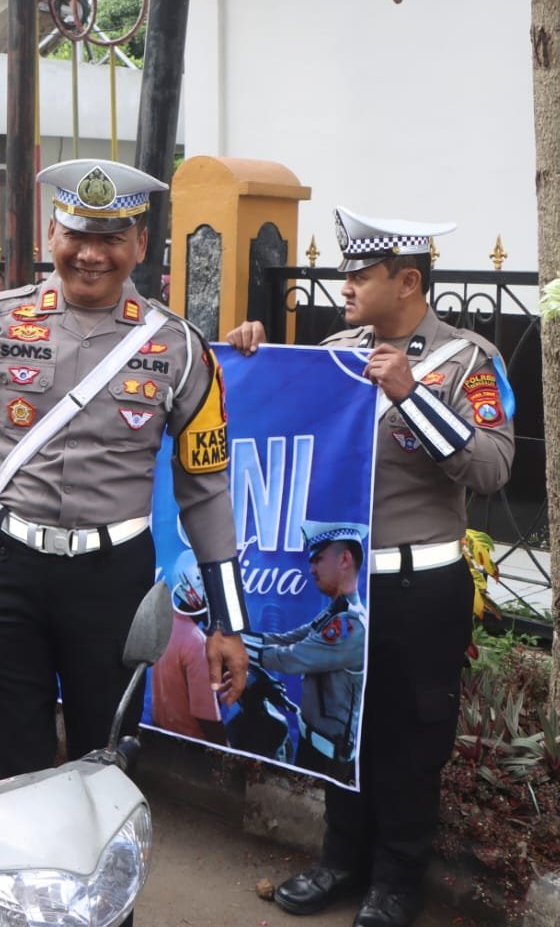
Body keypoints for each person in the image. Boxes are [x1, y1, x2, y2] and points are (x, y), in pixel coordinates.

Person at [226, 207, 515, 927]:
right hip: (345, 586)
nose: (344, 285)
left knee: (412, 738)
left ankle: (396, 879)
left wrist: (412, 395)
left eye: (359, 274)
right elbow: (282, 419)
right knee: (342, 728)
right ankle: (340, 858)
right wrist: (250, 356)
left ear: (408, 281)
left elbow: (493, 468)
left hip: (422, 584)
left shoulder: (467, 359)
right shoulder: (337, 347)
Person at [0, 158, 249, 780]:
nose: (91, 255)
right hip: (8, 566)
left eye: (111, 238)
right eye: (77, 235)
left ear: (140, 244)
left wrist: (227, 622)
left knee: (105, 750)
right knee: (10, 749)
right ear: (50, 238)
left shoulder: (179, 346)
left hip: (114, 576)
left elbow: (206, 491)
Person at [240, 521, 369, 784]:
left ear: (344, 559)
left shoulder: (350, 625)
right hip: (313, 746)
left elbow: (291, 657)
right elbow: (289, 638)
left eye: (318, 559)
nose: (311, 569)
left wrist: (235, 648)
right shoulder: (335, 612)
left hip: (329, 759)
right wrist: (238, 638)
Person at [149, 553, 227, 745]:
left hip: (164, 738)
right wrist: (227, 752)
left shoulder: (168, 624)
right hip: (191, 747)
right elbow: (208, 719)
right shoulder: (196, 642)